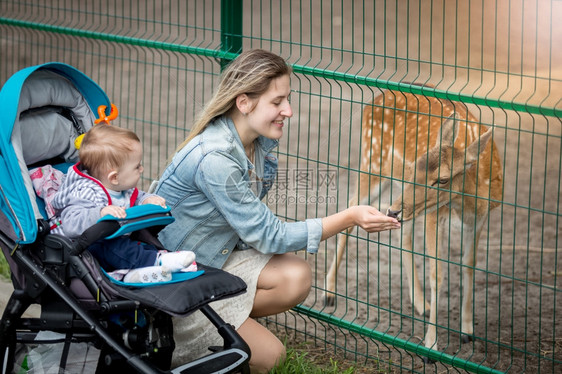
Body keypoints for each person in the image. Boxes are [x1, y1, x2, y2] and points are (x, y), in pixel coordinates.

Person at [153, 49, 401, 372]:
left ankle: (230, 319)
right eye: (277, 101)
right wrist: (350, 216)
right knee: (273, 358)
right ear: (244, 103)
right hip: (180, 284)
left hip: (212, 261)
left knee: (296, 277)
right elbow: (269, 235)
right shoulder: (215, 159)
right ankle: (190, 336)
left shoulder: (257, 143)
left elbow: (249, 230)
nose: (289, 110)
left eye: (288, 98)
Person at [52, 123, 195, 283]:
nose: (141, 169)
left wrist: (146, 199)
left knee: (139, 244)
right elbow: (70, 223)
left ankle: (137, 273)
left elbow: (135, 195)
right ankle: (159, 262)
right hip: (82, 249)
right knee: (115, 248)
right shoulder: (86, 191)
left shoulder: (120, 187)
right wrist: (99, 212)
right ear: (114, 177)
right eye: (137, 166)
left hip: (116, 241)